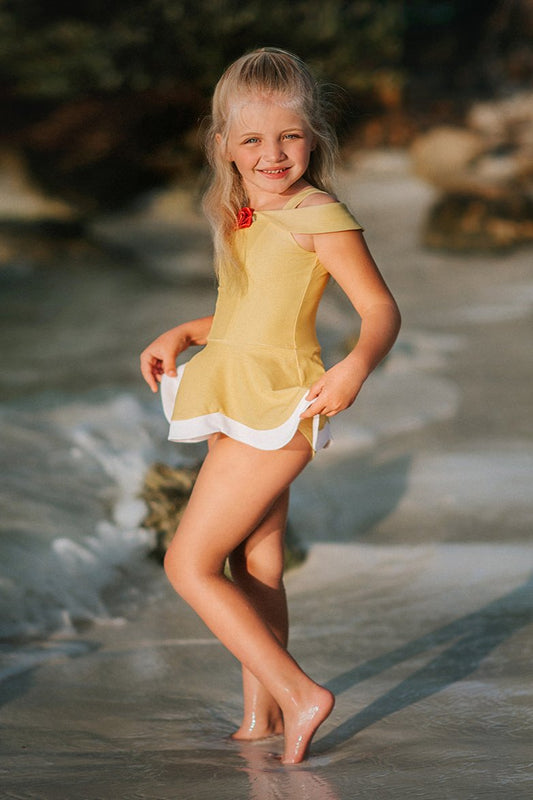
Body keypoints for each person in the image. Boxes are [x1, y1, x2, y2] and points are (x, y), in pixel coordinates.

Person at [140, 47, 401, 764]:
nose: (273, 152)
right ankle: (259, 717)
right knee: (256, 563)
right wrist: (189, 331)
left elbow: (379, 309)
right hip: (236, 392)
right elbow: (250, 308)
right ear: (222, 145)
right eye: (252, 139)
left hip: (281, 403)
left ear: (313, 136)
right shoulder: (244, 210)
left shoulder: (318, 212)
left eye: (289, 135)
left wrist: (354, 367)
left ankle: (298, 694)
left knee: (187, 564)